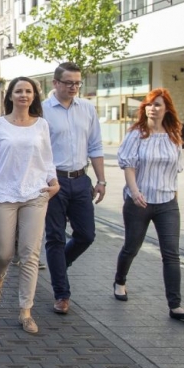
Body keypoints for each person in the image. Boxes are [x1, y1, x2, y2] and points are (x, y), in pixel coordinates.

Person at [0, 77, 59, 335]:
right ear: (10, 95)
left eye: (28, 91)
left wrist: (54, 182)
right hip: (3, 194)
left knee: (29, 254)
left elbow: (47, 160)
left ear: (34, 96)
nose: (24, 95)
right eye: (19, 91)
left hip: (35, 193)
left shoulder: (41, 125)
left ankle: (26, 311)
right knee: (3, 253)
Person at [113, 89, 184, 322]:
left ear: (167, 109)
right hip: (139, 202)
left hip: (167, 203)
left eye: (158, 104)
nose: (152, 108)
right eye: (149, 104)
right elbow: (128, 166)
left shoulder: (173, 135)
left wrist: (175, 199)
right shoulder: (136, 134)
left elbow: (175, 171)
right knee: (131, 247)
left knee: (171, 254)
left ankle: (175, 305)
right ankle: (119, 281)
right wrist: (135, 192)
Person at [42, 62, 106, 316]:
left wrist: (101, 180)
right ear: (55, 83)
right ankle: (62, 294)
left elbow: (96, 146)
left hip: (80, 180)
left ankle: (59, 266)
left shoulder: (87, 109)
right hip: (53, 181)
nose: (73, 87)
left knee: (86, 235)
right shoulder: (42, 111)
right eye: (68, 83)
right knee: (55, 237)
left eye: (77, 83)